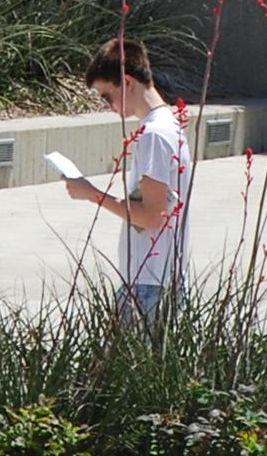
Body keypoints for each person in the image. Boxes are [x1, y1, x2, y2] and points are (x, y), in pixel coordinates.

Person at [63, 36, 189, 318]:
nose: (109, 106)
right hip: (158, 279)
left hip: (150, 284)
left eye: (107, 96)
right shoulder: (166, 127)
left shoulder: (155, 135)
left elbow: (151, 216)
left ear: (128, 83)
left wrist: (90, 193)